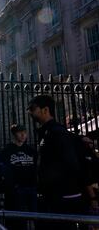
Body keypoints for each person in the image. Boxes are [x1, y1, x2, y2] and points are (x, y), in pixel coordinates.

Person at [27, 95, 85, 230]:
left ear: (45, 110)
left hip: (59, 198)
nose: (30, 112)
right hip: (51, 197)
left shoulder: (57, 133)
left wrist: (56, 189)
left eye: (32, 108)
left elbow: (71, 164)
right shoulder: (47, 132)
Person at [2, 124, 37, 229]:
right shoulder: (7, 151)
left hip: (31, 187)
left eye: (25, 132)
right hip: (16, 189)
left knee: (35, 216)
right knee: (17, 220)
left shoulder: (31, 150)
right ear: (14, 134)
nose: (23, 135)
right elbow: (5, 170)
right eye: (20, 132)